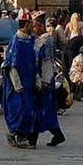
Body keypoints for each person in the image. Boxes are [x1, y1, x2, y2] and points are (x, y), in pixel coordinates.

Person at [2, 13, 38, 149]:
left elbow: (33, 62)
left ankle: (17, 135)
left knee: (28, 110)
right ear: (26, 25)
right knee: (19, 110)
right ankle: (18, 135)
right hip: (18, 85)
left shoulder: (29, 41)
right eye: (31, 24)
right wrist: (17, 84)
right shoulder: (16, 41)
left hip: (29, 83)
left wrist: (37, 79)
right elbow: (12, 65)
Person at [32, 12, 65, 147]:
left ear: (40, 26)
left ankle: (32, 138)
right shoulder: (44, 39)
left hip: (45, 78)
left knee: (39, 109)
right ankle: (57, 134)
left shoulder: (45, 40)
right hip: (47, 78)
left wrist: (43, 81)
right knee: (47, 109)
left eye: (34, 26)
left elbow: (45, 62)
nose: (33, 29)